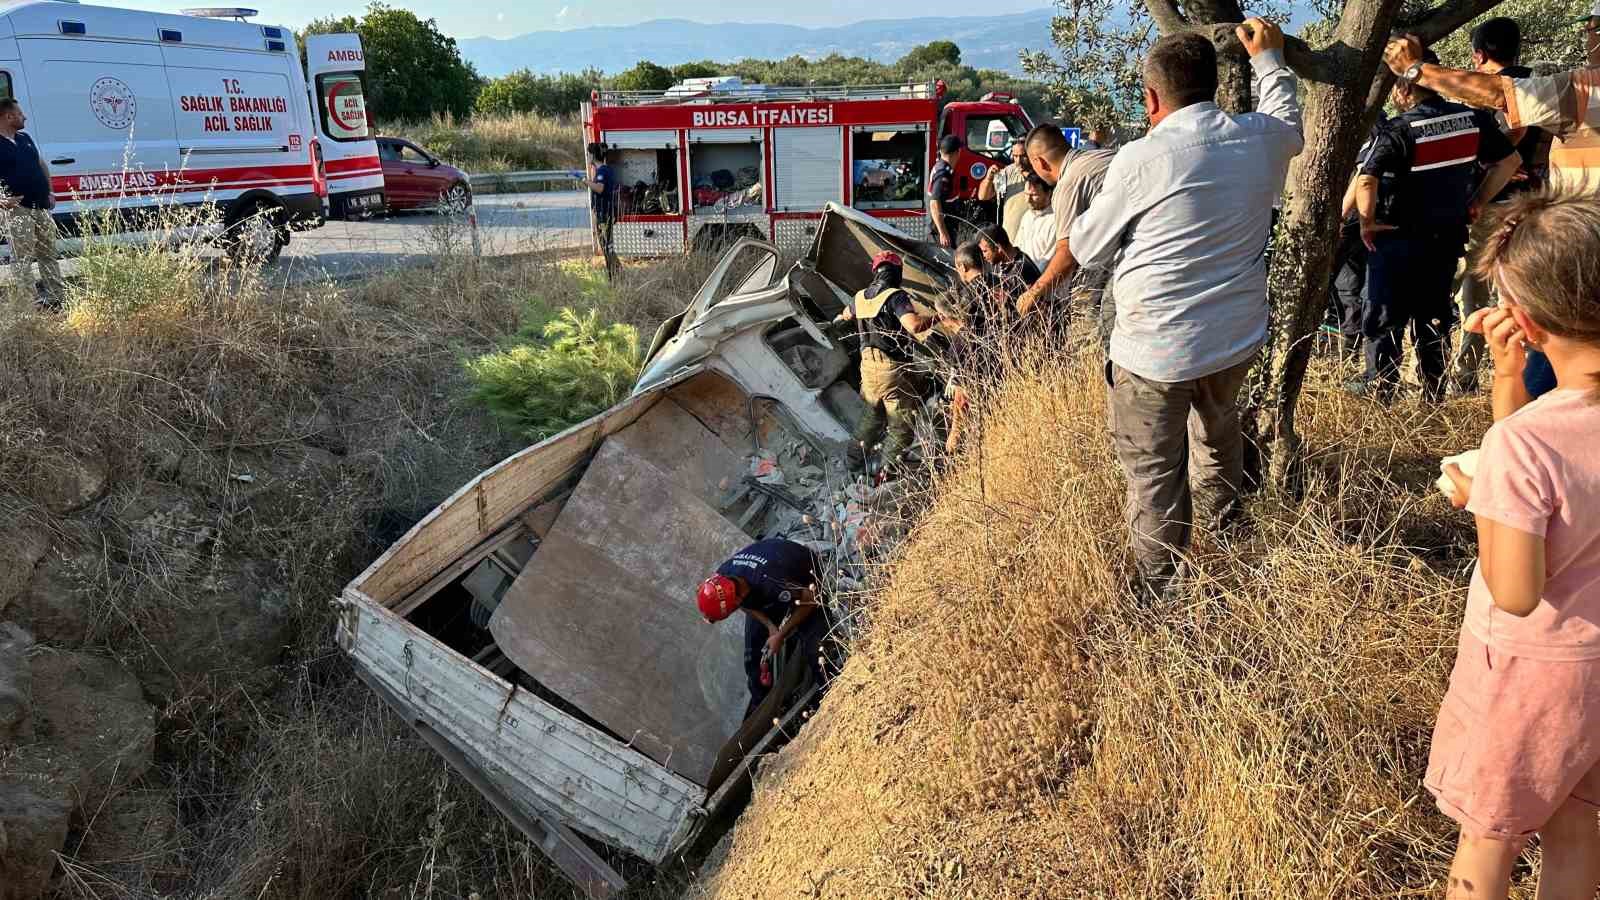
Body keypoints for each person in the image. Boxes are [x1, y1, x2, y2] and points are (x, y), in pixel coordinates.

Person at [1016, 20, 1302, 593]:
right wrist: (1270, 60)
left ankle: (1161, 593)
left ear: (1150, 98)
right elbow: (1288, 121)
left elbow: (1089, 245)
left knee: (1152, 476)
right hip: (1234, 340)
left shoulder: (1140, 160)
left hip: (1155, 353)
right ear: (1215, 86)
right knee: (1217, 445)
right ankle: (1225, 554)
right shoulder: (1257, 138)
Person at [1430, 189, 1600, 900]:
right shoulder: (1531, 436)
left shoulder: (1521, 448)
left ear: (1524, 322)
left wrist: (1482, 501)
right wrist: (1507, 379)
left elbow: (1516, 590)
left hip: (1530, 676)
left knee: (1488, 835)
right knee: (1577, 824)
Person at [1349, 48, 1521, 404]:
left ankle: (1382, 392)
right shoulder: (1472, 119)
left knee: (1384, 317)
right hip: (1445, 238)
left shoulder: (1399, 128)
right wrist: (1477, 201)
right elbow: (1510, 160)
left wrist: (1366, 223)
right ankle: (1433, 393)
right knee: (1434, 317)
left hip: (1395, 239)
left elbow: (1367, 180)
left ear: (1405, 88)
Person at [1449, 18, 1555, 396]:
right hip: (1538, 200)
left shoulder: (1498, 91)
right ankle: (1530, 368)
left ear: (1479, 55)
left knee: (1475, 290)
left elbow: (1514, 129)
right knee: (1524, 287)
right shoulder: (1541, 85)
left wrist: (1484, 182)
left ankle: (1468, 373)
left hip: (1495, 204)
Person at [1381, 13, 1599, 195]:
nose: (1585, 39)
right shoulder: (1536, 80)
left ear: (1479, 56)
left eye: (1588, 31)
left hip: (1510, 199)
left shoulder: (1583, 87)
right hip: (1537, 194)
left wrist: (1413, 68)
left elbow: (1505, 103)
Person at [697, 538, 825, 719]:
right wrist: (770, 626)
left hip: (806, 579)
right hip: (766, 580)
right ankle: (762, 708)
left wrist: (781, 634)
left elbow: (810, 598)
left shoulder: (771, 582)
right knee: (753, 656)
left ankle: (829, 690)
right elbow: (745, 605)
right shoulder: (723, 577)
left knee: (816, 649)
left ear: (737, 599)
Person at [832, 251, 933, 471]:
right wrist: (937, 317)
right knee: (900, 425)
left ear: (876, 272)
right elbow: (914, 325)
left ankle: (851, 462)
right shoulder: (896, 296)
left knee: (871, 417)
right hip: (892, 370)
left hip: (868, 369)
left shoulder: (859, 297)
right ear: (896, 272)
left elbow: (843, 316)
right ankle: (886, 474)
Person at [1014, 127, 1116, 324]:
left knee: (1086, 332)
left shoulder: (1068, 184)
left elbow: (1067, 253)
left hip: (1124, 273)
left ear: (1039, 162)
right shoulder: (1102, 157)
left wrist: (1033, 294)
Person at [0, 98, 63, 309]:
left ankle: (55, 299)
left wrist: (51, 191)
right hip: (17, 209)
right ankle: (30, 305)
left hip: (41, 205)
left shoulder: (25, 138)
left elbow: (41, 164)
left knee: (49, 254)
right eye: (20, 114)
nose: (24, 117)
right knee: (23, 259)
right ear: (8, 117)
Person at [976, 224, 1039, 310]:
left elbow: (1033, 309)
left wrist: (1008, 301)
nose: (983, 256)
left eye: (985, 251)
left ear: (998, 248)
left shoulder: (1023, 269)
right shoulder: (998, 262)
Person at [583, 141, 619, 281]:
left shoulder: (602, 171)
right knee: (608, 246)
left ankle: (613, 276)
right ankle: (617, 272)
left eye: (589, 154)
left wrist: (585, 180)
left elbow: (599, 188)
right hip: (606, 212)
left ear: (592, 156)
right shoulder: (605, 169)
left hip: (604, 214)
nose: (588, 157)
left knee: (606, 246)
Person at [975, 136, 1029, 230]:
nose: (1018, 161)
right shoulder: (1008, 172)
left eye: (1023, 156)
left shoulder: (1041, 173)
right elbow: (983, 196)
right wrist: (989, 179)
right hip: (1011, 234)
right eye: (1015, 156)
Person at [928, 134, 965, 248]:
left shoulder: (941, 167)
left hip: (946, 226)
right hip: (945, 228)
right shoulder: (943, 174)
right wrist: (943, 233)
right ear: (956, 152)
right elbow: (934, 203)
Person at [1013, 175, 1057, 270]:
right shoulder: (1027, 216)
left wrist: (1034, 279)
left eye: (1034, 195)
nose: (1028, 200)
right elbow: (1018, 247)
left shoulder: (1055, 220)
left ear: (1048, 193)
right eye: (1026, 194)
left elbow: (1049, 259)